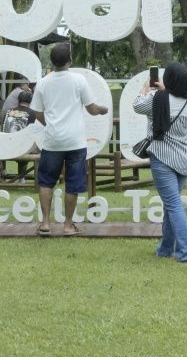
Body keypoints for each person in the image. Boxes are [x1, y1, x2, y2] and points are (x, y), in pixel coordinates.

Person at [30, 42, 109, 236]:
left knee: (46, 181)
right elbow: (91, 108)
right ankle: (67, 224)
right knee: (73, 183)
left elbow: (36, 111)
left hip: (52, 140)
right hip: (75, 141)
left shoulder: (43, 82)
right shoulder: (78, 80)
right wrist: (101, 110)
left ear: (52, 61)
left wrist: (49, 124)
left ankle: (46, 223)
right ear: (70, 61)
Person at [133, 63, 187, 262]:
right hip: (184, 158)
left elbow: (137, 105)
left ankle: (186, 250)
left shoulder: (157, 99)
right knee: (171, 205)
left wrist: (146, 87)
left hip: (162, 158)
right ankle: (165, 248)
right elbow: (176, 99)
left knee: (173, 205)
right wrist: (167, 90)